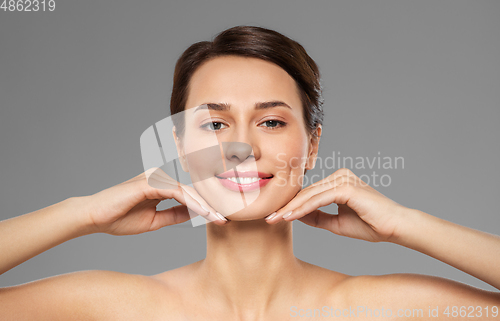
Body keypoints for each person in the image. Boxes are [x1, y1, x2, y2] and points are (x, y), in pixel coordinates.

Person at [1, 25, 499, 321]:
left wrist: (405, 225)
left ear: (312, 146)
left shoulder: (374, 309)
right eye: (215, 123)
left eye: (272, 121)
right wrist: (81, 213)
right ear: (179, 146)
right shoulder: (122, 308)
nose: (242, 148)